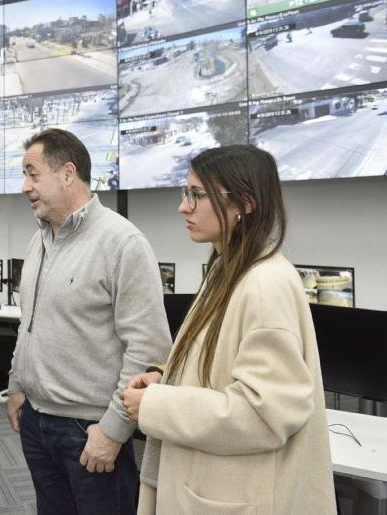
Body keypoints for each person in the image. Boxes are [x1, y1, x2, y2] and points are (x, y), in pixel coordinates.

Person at [121, 145, 335, 514]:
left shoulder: (263, 284)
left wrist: (158, 404)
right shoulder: (227, 269)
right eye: (185, 193)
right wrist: (165, 380)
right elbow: (217, 375)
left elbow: (264, 415)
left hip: (236, 494)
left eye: (197, 195)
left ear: (245, 203)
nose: (183, 206)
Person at [7, 128, 172, 514]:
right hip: (36, 422)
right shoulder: (39, 240)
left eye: (33, 174)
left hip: (89, 430)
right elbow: (28, 323)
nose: (24, 187)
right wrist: (17, 384)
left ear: (67, 173)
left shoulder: (122, 243)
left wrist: (113, 431)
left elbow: (149, 349)